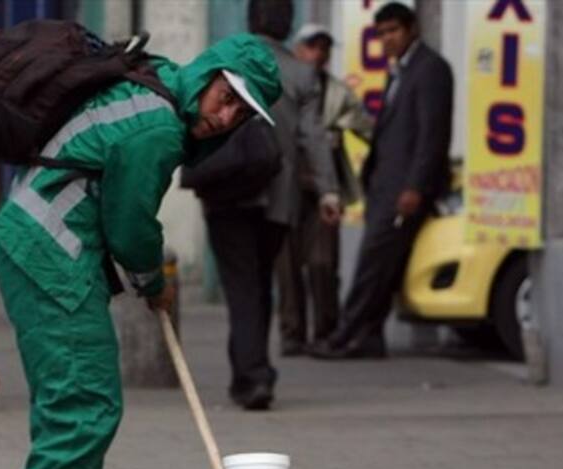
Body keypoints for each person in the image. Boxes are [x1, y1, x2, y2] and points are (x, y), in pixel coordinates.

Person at [0, 35, 281, 469]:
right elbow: (130, 225)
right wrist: (152, 281)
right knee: (86, 406)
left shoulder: (158, 85)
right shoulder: (158, 128)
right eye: (226, 98)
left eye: (242, 113)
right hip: (51, 253)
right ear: (209, 75)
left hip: (44, 248)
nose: (226, 118)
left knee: (74, 404)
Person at [190, 0, 338, 410]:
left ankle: (251, 375)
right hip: (276, 200)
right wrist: (328, 192)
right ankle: (252, 373)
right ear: (288, 25)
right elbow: (312, 137)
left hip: (225, 195)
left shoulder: (225, 62)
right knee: (258, 285)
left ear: (251, 19)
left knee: (241, 286)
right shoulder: (302, 73)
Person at [315, 2, 452, 359]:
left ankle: (345, 336)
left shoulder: (431, 69)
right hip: (384, 185)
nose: (387, 39)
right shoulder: (399, 71)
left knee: (372, 265)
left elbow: (431, 136)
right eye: (382, 34)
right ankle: (369, 337)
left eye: (393, 31)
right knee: (381, 266)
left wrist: (415, 187)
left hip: (404, 189)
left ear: (412, 29)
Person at [279, 24, 372, 358]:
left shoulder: (337, 93)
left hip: (324, 188)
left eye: (323, 48)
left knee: (323, 262)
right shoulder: (282, 86)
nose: (317, 54)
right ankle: (292, 332)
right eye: (311, 47)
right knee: (287, 264)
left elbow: (368, 128)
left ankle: (326, 330)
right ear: (297, 50)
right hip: (286, 185)